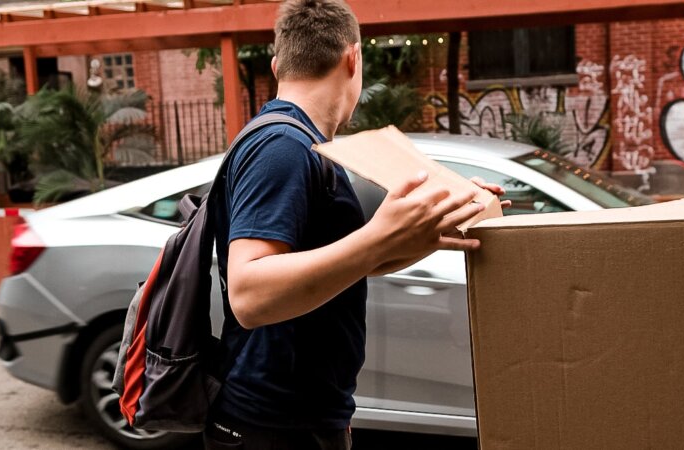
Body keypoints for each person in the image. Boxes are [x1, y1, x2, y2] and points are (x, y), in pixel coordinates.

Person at [207, 1, 507, 449]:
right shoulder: (283, 147)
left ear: (276, 65)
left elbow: (342, 266)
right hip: (272, 426)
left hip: (302, 418)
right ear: (353, 57)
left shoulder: (308, 145)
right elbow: (250, 294)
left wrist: (431, 228)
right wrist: (377, 236)